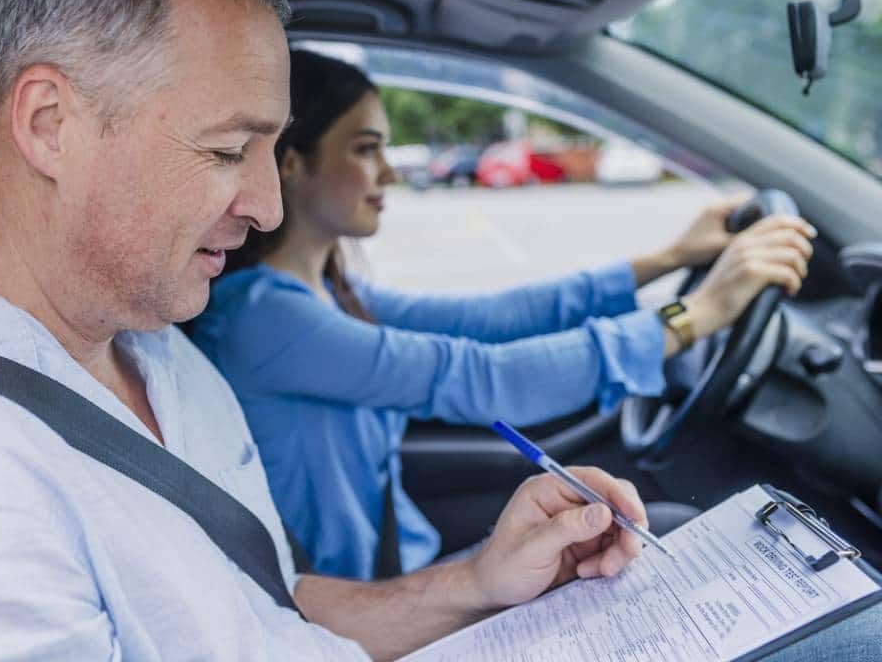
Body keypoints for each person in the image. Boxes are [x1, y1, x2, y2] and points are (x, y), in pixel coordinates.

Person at [0, 0, 878, 662]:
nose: (267, 203)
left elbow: (262, 610)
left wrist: (476, 581)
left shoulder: (150, 353)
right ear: (49, 121)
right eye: (227, 150)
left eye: (272, 153)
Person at [189, 49, 818, 581]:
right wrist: (695, 315)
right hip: (358, 606)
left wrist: (670, 259)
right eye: (365, 148)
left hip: (397, 561)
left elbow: (487, 320)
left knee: (663, 537)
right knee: (674, 537)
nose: (389, 171)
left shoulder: (326, 295)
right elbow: (482, 377)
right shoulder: (263, 318)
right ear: (292, 163)